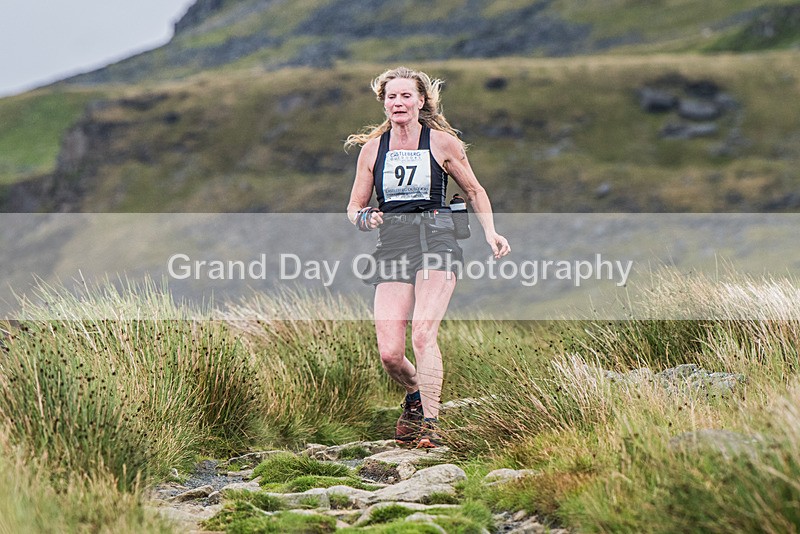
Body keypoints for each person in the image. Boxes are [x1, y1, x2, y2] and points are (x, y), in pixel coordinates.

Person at [345, 66, 510, 448]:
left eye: (406, 96)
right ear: (383, 103)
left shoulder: (441, 144)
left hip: (437, 240)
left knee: (422, 333)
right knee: (390, 353)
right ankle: (417, 395)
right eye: (391, 96)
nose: (398, 103)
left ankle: (431, 427)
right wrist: (365, 218)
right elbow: (354, 207)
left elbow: (475, 191)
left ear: (421, 101)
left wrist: (490, 232)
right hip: (393, 244)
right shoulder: (373, 151)